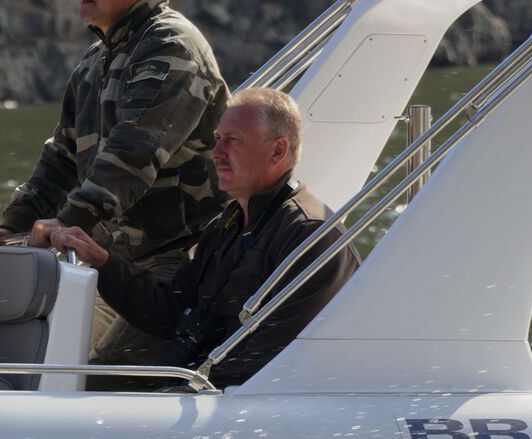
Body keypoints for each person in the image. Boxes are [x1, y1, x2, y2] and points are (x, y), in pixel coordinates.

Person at [0, 0, 228, 367]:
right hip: (109, 260)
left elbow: (129, 159)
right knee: (34, 361)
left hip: (179, 260)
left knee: (104, 380)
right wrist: (11, 229)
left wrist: (63, 226)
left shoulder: (172, 47)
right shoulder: (94, 62)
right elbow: (59, 162)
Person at [49, 89, 360, 388]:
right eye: (217, 140)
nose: (217, 153)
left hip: (240, 401)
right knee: (85, 385)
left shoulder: (309, 233)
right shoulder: (227, 225)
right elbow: (171, 311)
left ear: (277, 150)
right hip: (202, 390)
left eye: (233, 141)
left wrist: (182, 390)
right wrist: (102, 262)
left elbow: (273, 356)